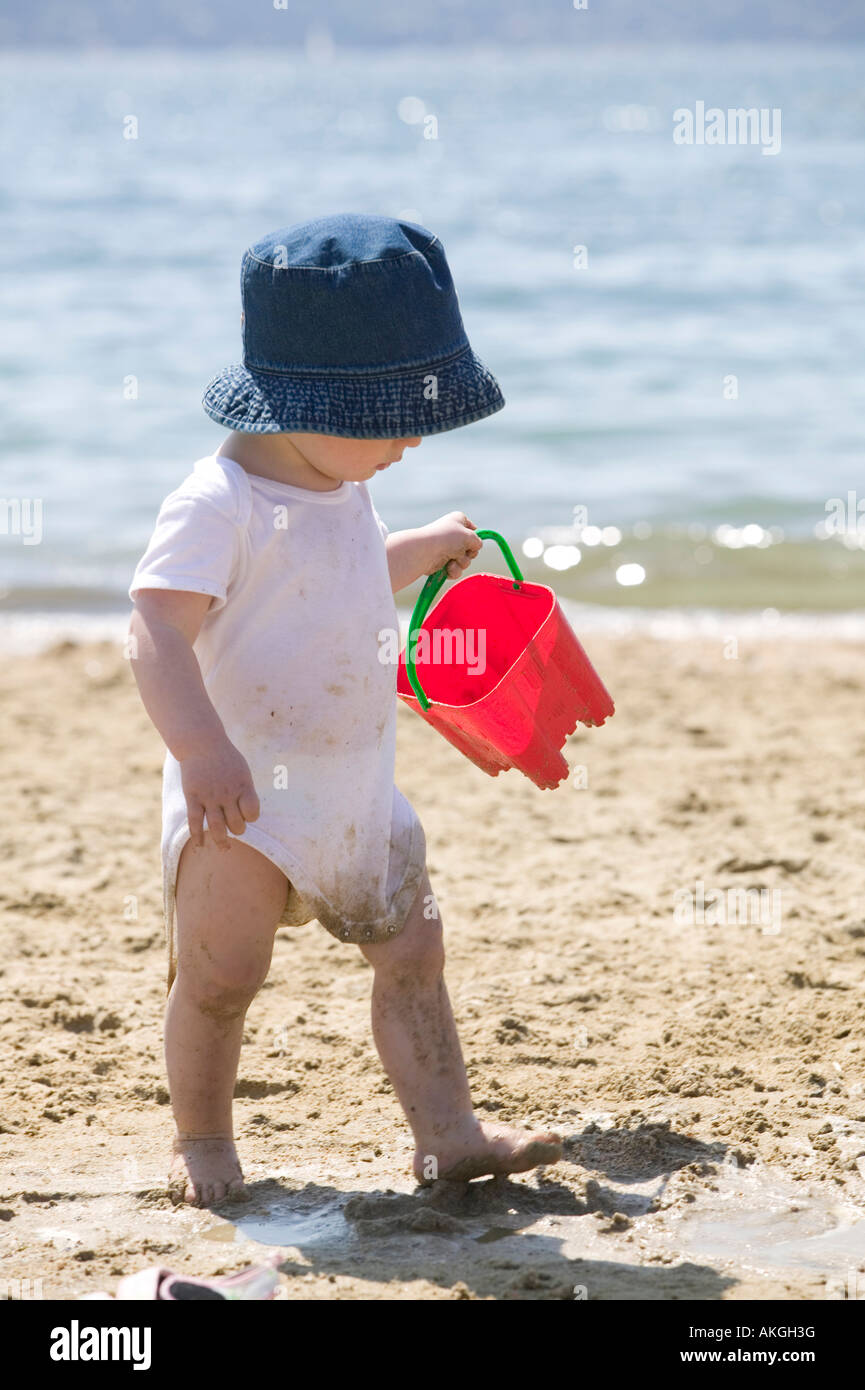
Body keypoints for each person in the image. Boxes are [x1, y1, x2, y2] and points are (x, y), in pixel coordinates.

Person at [128, 214, 563, 1206]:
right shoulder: (217, 503)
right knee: (220, 974)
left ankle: (448, 1135)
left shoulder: (337, 483)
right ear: (303, 404)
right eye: (395, 414)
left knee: (413, 951)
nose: (412, 437)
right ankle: (201, 1141)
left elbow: (347, 574)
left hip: (353, 788)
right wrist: (199, 750)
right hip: (239, 802)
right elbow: (153, 625)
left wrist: (424, 545)